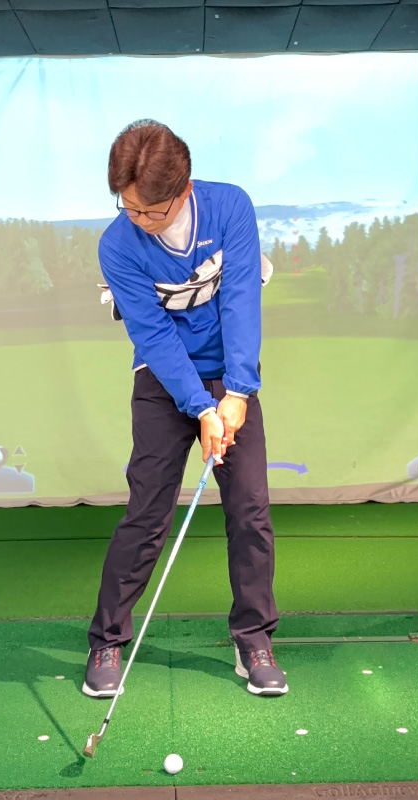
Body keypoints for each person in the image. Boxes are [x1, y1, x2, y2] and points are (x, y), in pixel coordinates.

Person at [82, 119, 288, 698]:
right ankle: (107, 640)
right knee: (147, 512)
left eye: (150, 211)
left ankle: (254, 639)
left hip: (232, 375)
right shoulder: (117, 245)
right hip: (162, 378)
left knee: (249, 510)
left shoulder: (230, 208)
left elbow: (242, 298)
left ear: (184, 189)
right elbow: (152, 335)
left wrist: (237, 394)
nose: (138, 220)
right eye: (128, 207)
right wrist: (200, 407)